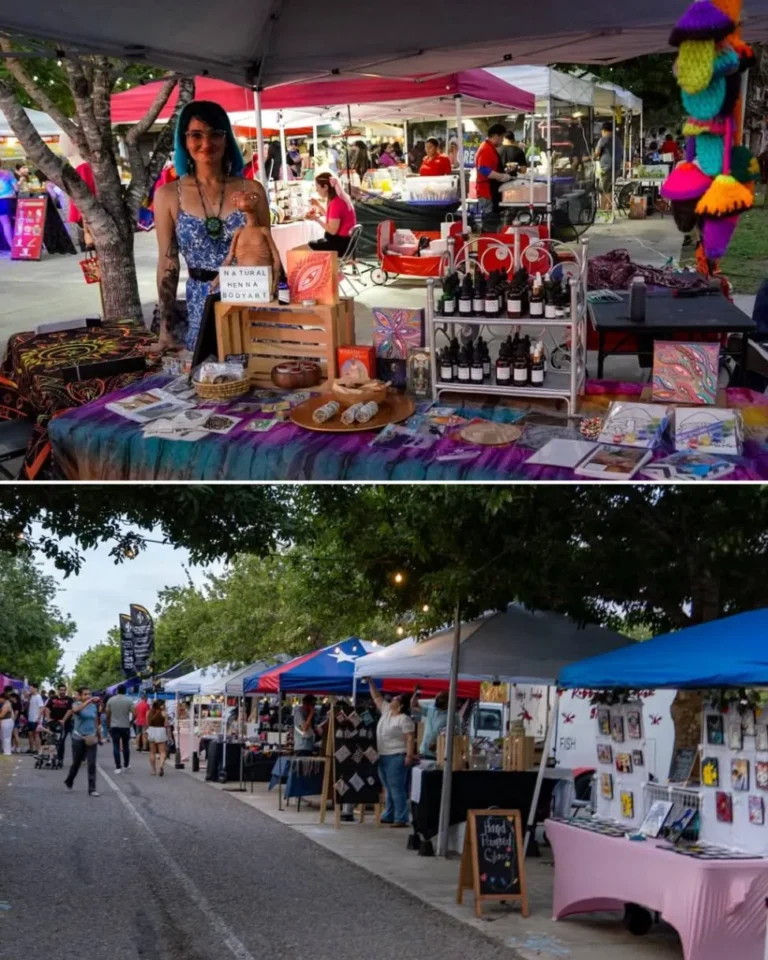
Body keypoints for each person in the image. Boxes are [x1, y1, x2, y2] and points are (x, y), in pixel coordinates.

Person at [152, 99, 272, 352]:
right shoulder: (168, 195)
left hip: (252, 300)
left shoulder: (252, 190)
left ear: (226, 138)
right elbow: (167, 262)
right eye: (196, 135)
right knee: (211, 377)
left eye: (215, 134)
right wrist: (166, 329)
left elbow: (268, 257)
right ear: (184, 140)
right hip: (202, 305)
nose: (206, 144)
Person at [366, 680, 415, 827]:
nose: (393, 699)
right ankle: (389, 814)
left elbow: (410, 738)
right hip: (383, 754)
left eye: (396, 698)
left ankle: (401, 817)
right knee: (388, 786)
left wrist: (409, 755)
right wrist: (370, 682)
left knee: (396, 787)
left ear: (400, 705)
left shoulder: (404, 719)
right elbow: (377, 697)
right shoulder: (387, 711)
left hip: (397, 755)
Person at [221, 191, 282, 290]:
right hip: (243, 282)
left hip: (263, 281)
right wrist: (218, 278)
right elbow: (230, 257)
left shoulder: (263, 231)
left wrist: (276, 278)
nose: (245, 200)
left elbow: (275, 255)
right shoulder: (239, 231)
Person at [307, 172, 357, 257]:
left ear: (325, 187)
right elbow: (332, 218)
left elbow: (332, 231)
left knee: (300, 250)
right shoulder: (340, 199)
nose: (317, 190)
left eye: (317, 187)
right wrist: (318, 205)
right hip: (346, 243)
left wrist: (316, 219)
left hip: (339, 245)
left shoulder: (336, 203)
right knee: (311, 244)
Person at [64, 687, 103, 797]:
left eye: (89, 694)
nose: (88, 696)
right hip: (78, 737)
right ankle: (69, 780)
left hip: (91, 737)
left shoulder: (93, 707)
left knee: (91, 763)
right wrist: (88, 701)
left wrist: (99, 736)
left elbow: (95, 720)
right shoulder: (75, 704)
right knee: (76, 763)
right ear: (80, 696)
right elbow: (76, 711)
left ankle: (92, 789)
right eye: (85, 694)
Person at [475, 123, 512, 231]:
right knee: (490, 221)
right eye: (501, 138)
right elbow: (483, 169)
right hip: (486, 191)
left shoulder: (489, 147)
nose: (502, 141)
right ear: (495, 136)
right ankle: (488, 241)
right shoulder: (486, 149)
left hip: (489, 190)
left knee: (492, 219)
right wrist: (501, 176)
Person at [409, 689, 455, 760]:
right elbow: (414, 705)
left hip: (439, 754)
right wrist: (417, 692)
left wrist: (437, 744)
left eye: (441, 701)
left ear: (448, 702)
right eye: (437, 699)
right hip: (424, 751)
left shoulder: (453, 716)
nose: (438, 702)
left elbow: (456, 735)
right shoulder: (431, 709)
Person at [594, 121, 624, 210]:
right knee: (610, 189)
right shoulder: (618, 140)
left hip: (607, 168)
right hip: (617, 167)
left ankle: (602, 211)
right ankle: (609, 209)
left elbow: (597, 153)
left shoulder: (604, 139)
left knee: (604, 190)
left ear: (603, 130)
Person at [107, 684, 134, 774]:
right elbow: (135, 713)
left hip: (114, 726)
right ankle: (126, 764)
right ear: (125, 691)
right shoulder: (129, 700)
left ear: (117, 690)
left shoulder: (111, 700)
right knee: (126, 746)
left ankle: (118, 767)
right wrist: (131, 722)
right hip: (125, 726)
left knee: (116, 746)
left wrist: (108, 725)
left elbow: (108, 714)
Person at [45, 683, 74, 765]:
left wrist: (63, 720)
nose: (62, 692)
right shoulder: (52, 698)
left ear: (66, 691)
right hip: (53, 722)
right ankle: (50, 758)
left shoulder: (69, 699)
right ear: (58, 690)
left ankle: (60, 759)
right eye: (61, 690)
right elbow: (47, 708)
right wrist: (48, 718)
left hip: (65, 724)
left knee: (61, 741)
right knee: (51, 740)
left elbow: (70, 710)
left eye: (64, 690)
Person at [146, 700, 170, 776]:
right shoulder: (164, 713)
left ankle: (153, 770)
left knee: (152, 752)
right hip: (161, 730)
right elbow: (166, 724)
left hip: (151, 730)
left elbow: (147, 724)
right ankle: (161, 765)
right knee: (162, 751)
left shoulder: (148, 712)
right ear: (161, 705)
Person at [0, 166, 16, 251]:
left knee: (6, 224)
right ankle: (23, 244)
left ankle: (12, 247)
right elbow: (16, 187)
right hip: (10, 200)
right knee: (19, 222)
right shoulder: (8, 173)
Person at [25, 682, 44, 755]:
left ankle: (38, 750)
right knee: (30, 734)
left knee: (36, 734)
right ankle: (31, 748)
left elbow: (42, 707)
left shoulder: (38, 697)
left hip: (36, 719)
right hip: (30, 718)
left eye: (31, 688)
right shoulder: (32, 696)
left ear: (35, 688)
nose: (30, 689)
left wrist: (39, 717)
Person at [0, 687, 14, 756]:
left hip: (6, 721)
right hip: (7, 721)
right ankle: (6, 751)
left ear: (3, 698)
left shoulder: (6, 705)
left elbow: (2, 715)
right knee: (5, 737)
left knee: (6, 737)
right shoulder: (8, 704)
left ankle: (7, 751)